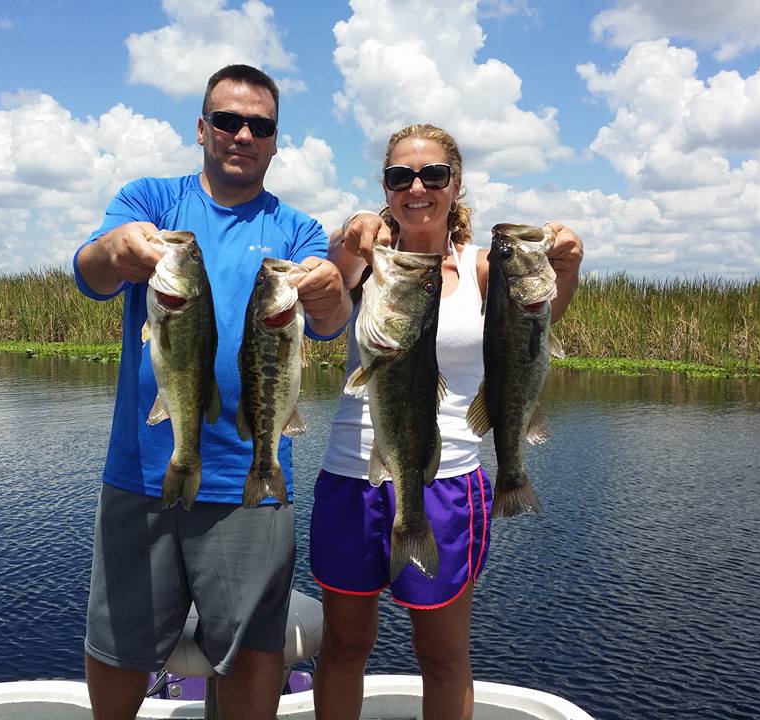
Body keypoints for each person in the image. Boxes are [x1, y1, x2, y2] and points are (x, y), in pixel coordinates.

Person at [73, 64, 350, 720]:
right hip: (143, 473)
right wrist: (115, 249)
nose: (242, 134)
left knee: (254, 649)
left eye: (260, 125)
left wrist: (332, 291)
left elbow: (333, 323)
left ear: (276, 142)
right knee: (120, 643)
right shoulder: (151, 200)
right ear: (202, 128)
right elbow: (91, 273)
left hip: (253, 481)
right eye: (227, 120)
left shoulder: (298, 230)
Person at [308, 123, 583, 720]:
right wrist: (353, 231)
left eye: (433, 175)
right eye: (400, 176)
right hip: (350, 475)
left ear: (455, 184)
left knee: (442, 654)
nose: (417, 187)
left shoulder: (487, 268)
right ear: (385, 186)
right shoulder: (370, 262)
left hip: (449, 477)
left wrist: (567, 261)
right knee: (345, 644)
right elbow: (334, 272)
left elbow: (540, 318)